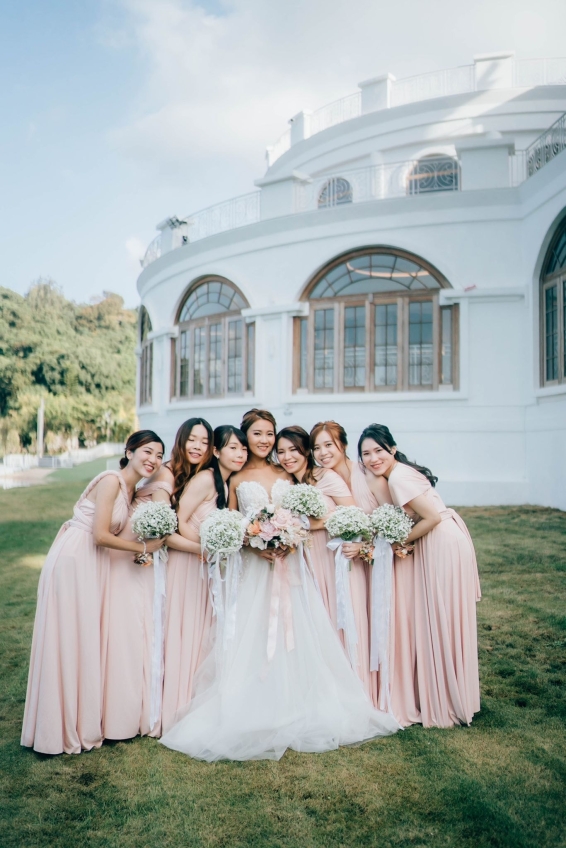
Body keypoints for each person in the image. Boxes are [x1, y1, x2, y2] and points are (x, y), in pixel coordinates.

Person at [160, 410, 399, 762]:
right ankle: (253, 707)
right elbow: (236, 522)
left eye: (269, 433)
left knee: (300, 633)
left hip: (293, 563)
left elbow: (304, 515)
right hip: (256, 567)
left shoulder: (286, 471)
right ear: (246, 437)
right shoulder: (235, 477)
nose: (265, 440)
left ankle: (301, 704)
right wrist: (255, 542)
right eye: (257, 433)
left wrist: (291, 536)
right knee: (253, 633)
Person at [21, 430, 165, 755]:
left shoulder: (132, 489)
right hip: (75, 557)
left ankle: (78, 718)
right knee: (67, 636)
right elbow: (99, 535)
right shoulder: (112, 480)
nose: (153, 460)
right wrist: (143, 548)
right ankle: (56, 727)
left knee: (83, 638)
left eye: (158, 455)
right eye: (147, 451)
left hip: (93, 561)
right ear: (129, 451)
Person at [359, 424, 481, 728]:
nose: (373, 458)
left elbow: (432, 517)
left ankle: (448, 700)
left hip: (441, 542)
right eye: (366, 454)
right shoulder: (398, 473)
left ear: (392, 449)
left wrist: (400, 541)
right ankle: (451, 695)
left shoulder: (398, 477)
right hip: (445, 540)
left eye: (379, 450)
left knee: (443, 618)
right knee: (445, 618)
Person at [161, 425, 247, 733]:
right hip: (187, 565)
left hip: (204, 568)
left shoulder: (225, 482)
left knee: (200, 634)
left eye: (243, 449)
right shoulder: (206, 478)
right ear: (217, 452)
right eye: (233, 448)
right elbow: (178, 520)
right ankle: (174, 707)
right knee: (186, 630)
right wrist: (205, 548)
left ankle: (193, 701)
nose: (240, 454)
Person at [310, 421, 388, 701]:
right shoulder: (322, 478)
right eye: (316, 448)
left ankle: (381, 691)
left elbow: (390, 519)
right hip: (352, 560)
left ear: (342, 444)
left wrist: (366, 548)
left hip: (379, 555)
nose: (323, 452)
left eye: (328, 445)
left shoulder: (366, 474)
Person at [275, 426, 354, 636]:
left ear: (306, 450)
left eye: (293, 450)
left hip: (329, 556)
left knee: (335, 616)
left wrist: (309, 523)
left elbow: (352, 513)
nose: (287, 457)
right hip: (305, 560)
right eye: (281, 452)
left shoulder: (326, 476)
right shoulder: (287, 485)